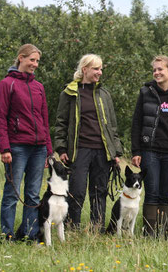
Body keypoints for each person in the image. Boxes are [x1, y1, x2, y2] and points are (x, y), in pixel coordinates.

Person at [54, 54, 123, 232]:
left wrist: (116, 151)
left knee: (99, 191)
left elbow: (112, 126)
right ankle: (72, 228)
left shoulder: (104, 94)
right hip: (79, 150)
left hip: (102, 150)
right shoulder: (69, 93)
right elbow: (61, 123)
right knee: (76, 191)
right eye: (96, 69)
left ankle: (96, 229)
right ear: (84, 69)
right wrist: (61, 148)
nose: (99, 72)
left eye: (100, 69)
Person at [0, 44, 53, 242]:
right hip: (17, 147)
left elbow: (45, 121)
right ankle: (7, 234)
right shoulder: (6, 84)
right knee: (12, 193)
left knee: (33, 195)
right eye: (32, 60)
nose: (35, 64)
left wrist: (48, 151)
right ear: (21, 58)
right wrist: (5, 148)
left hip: (39, 148)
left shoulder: (39, 87)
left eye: (37, 61)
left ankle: (30, 234)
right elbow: (0, 118)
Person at [131, 55, 168, 237]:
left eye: (160, 69)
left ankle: (164, 233)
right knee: (152, 192)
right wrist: (136, 151)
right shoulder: (146, 92)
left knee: (166, 193)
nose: (156, 72)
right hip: (150, 151)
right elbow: (137, 123)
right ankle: (149, 233)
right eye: (154, 70)